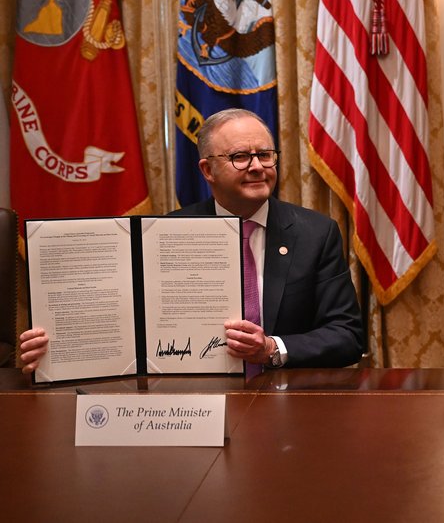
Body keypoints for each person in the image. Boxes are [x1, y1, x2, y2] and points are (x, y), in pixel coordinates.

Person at [20, 108, 364, 373]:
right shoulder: (164, 235)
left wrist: (272, 348)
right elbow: (126, 330)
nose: (258, 166)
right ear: (207, 170)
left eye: (265, 154)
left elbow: (347, 336)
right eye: (240, 157)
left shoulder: (315, 233)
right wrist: (57, 349)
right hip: (191, 402)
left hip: (287, 402)